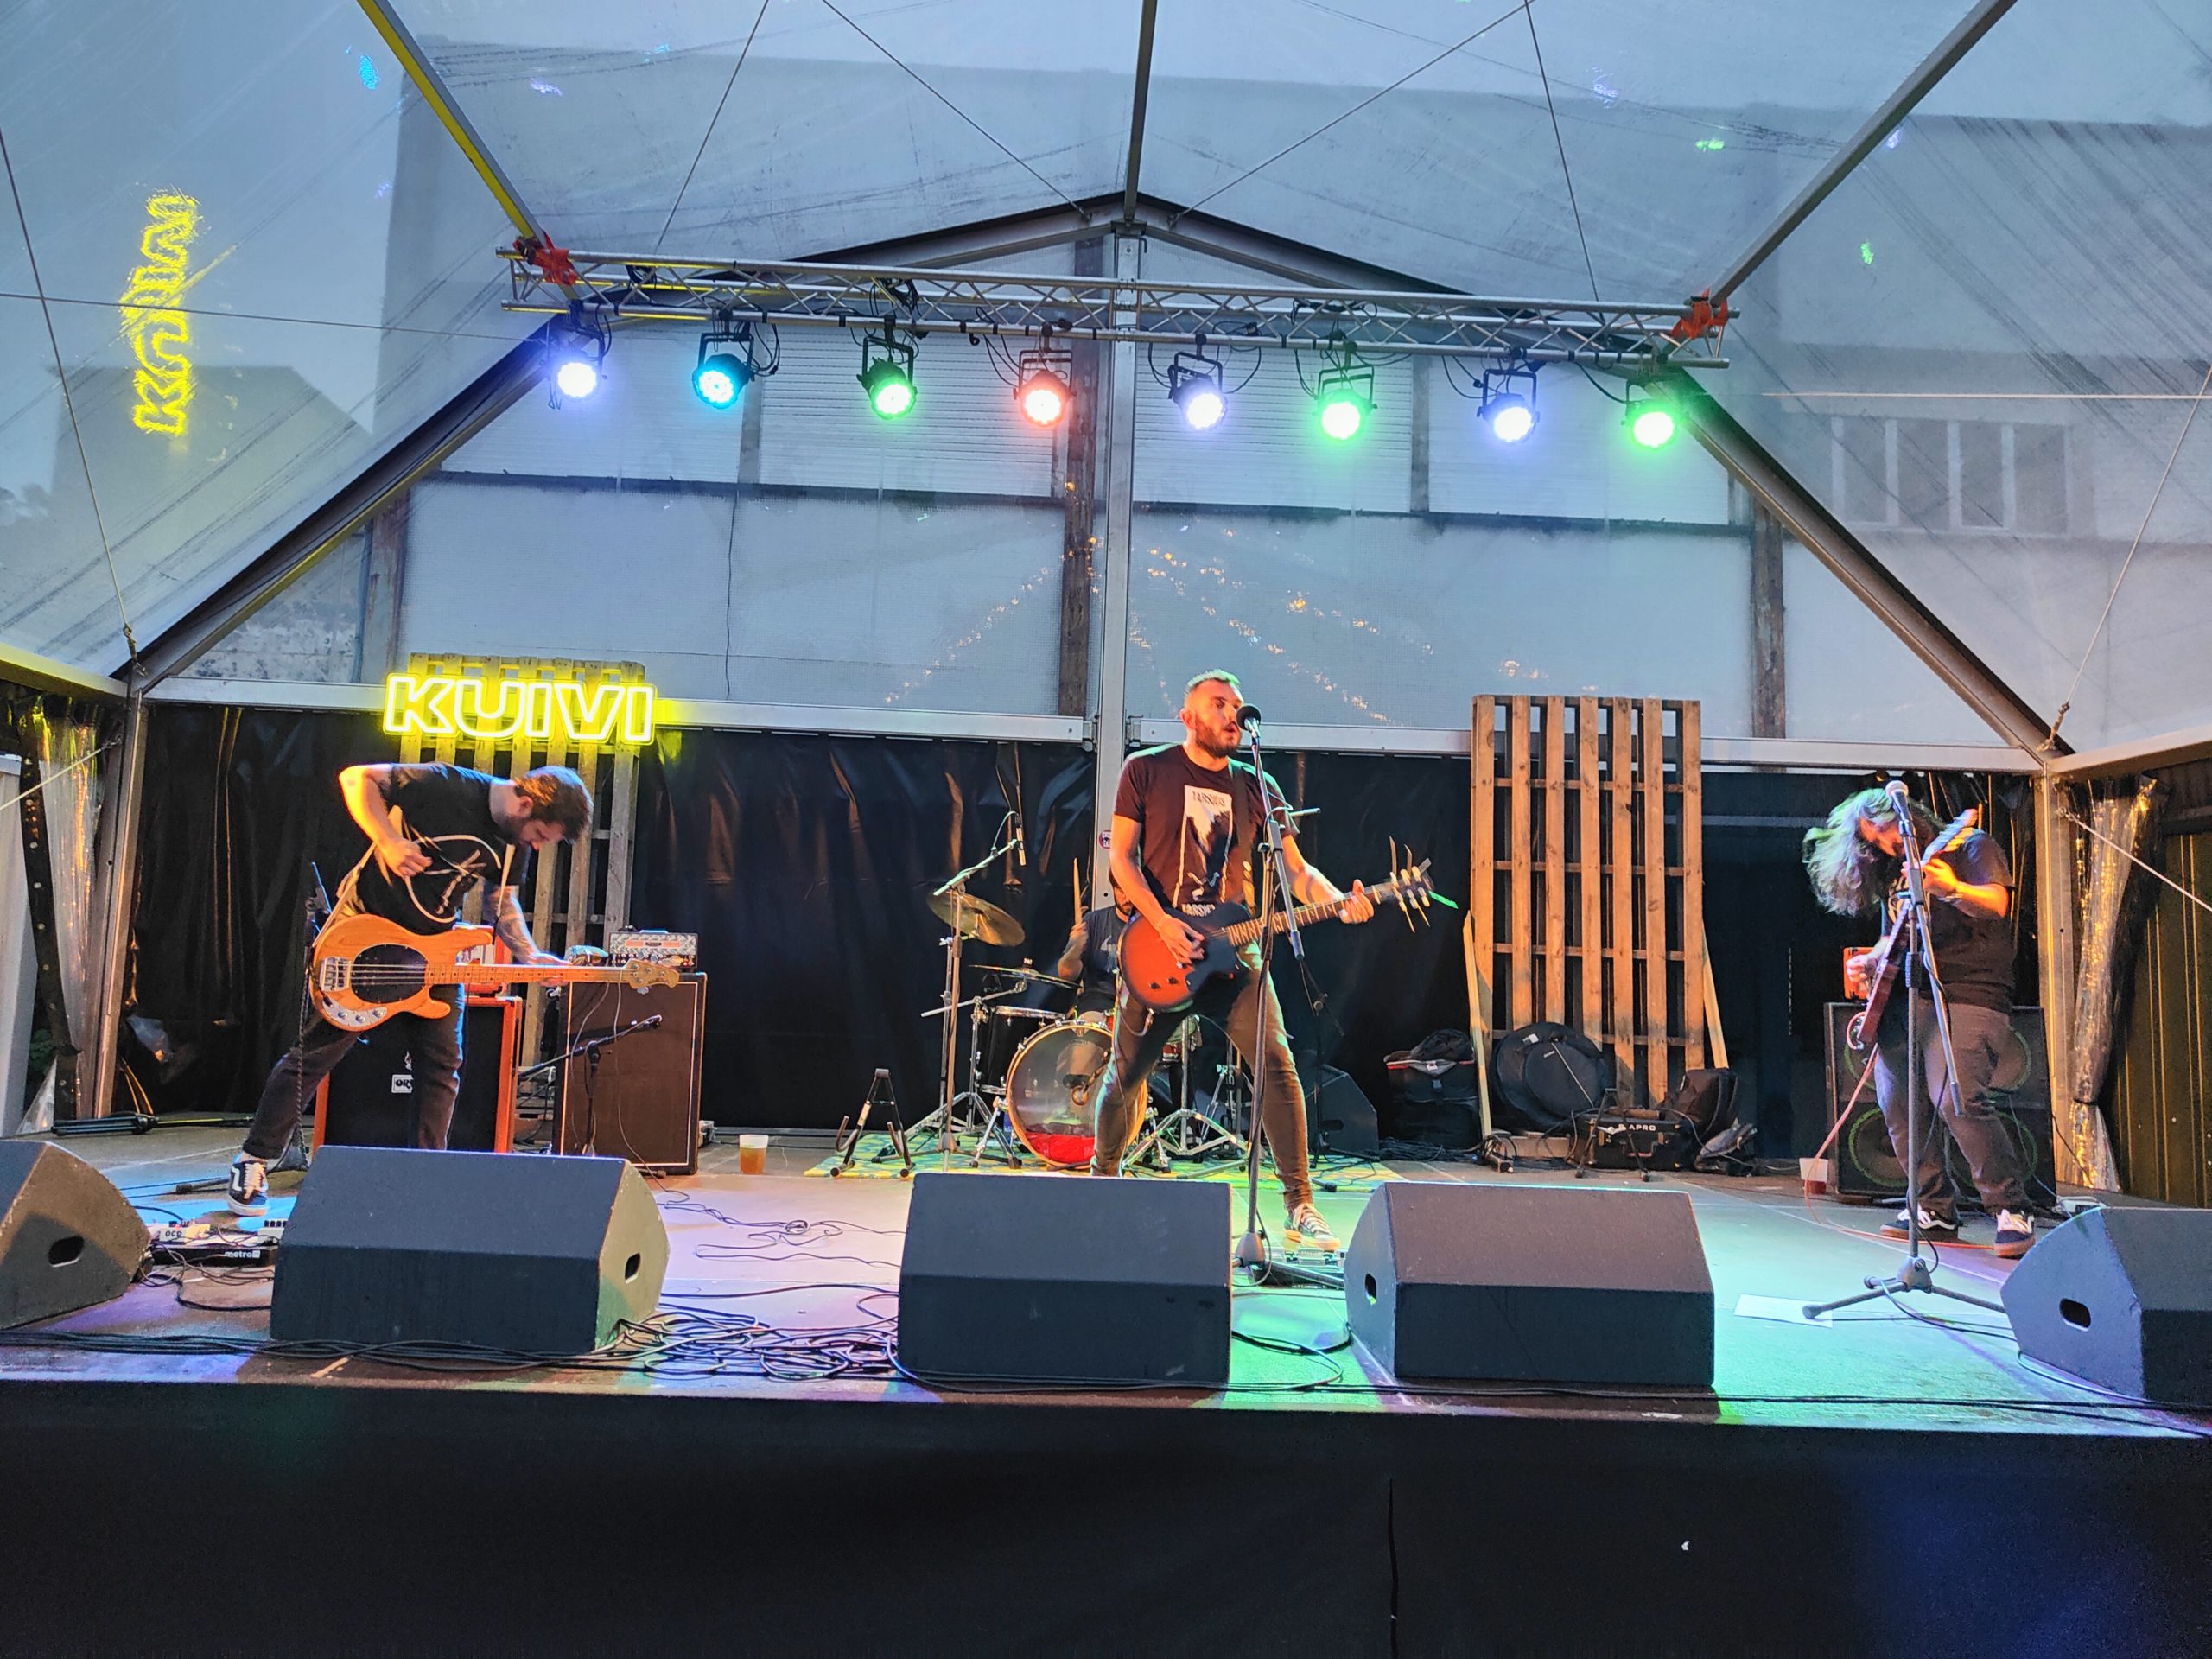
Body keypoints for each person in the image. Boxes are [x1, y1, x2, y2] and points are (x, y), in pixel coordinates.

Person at [1089, 671, 1373, 1251]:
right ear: (1187, 716)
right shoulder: (1145, 770)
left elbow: (1295, 872)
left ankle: (1299, 1204)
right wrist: (1163, 923)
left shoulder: (1257, 785)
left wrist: (1336, 901)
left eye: (1237, 707)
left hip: (1233, 954)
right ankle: (1102, 1177)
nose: (1231, 715)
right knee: (1126, 1076)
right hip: (1159, 949)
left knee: (1277, 1063)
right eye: (1218, 704)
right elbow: (1121, 859)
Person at [227, 762, 593, 1214]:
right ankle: (253, 1160)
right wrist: (389, 841)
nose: (535, 845)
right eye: (539, 834)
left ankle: (423, 1174)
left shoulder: (513, 842)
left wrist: (530, 955)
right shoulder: (445, 785)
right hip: (368, 935)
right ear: (525, 804)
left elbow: (502, 902)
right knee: (317, 1053)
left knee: (442, 1064)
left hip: (433, 953)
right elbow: (356, 778)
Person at [1804, 786, 2036, 1259]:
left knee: (1958, 1099)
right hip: (1908, 996)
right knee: (1898, 1104)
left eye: (1883, 833)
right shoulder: (1896, 873)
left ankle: (2010, 1207)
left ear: (1903, 814)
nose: (1883, 846)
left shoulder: (1969, 846)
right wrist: (1870, 961)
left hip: (1968, 992)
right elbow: (1894, 937)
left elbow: (1995, 904)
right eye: (1871, 843)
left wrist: (1949, 888)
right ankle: (1933, 1207)